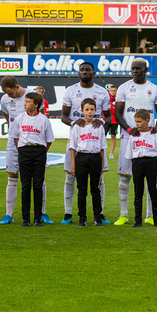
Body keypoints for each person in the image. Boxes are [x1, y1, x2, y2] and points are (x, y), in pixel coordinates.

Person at [114, 58, 157, 226]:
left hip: (149, 138)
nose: (135, 71)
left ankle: (150, 215)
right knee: (125, 176)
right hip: (130, 136)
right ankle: (124, 214)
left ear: (146, 69)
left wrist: (156, 129)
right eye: (133, 69)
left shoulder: (154, 89)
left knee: (151, 179)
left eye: (138, 69)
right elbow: (118, 114)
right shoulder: (124, 88)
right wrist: (129, 130)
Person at [60, 62, 110, 225]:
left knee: (98, 182)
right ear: (78, 73)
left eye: (88, 70)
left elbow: (109, 117)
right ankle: (68, 213)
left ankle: (99, 214)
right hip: (78, 140)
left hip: (95, 143)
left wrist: (100, 121)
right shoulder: (70, 90)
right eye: (82, 70)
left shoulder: (102, 92)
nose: (84, 72)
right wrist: (75, 123)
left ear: (93, 73)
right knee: (70, 176)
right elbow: (64, 116)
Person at [0, 76, 52, 225]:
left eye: (10, 93)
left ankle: (42, 213)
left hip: (34, 143)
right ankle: (9, 214)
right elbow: (7, 116)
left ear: (17, 87)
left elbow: (41, 117)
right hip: (15, 140)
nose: (9, 96)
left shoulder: (32, 95)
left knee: (38, 178)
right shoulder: (4, 99)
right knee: (12, 175)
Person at [10, 92, 54, 227]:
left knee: (38, 185)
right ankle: (25, 218)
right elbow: (15, 137)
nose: (25, 104)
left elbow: (49, 140)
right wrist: (22, 150)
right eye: (25, 101)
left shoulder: (43, 120)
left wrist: (42, 152)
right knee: (25, 186)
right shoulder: (20, 118)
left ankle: (38, 218)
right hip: (24, 151)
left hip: (39, 151)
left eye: (28, 102)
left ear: (36, 105)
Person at [125, 109, 157, 228]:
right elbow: (130, 154)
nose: (137, 124)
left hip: (151, 163)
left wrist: (151, 162)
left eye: (139, 121)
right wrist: (138, 162)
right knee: (138, 192)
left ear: (147, 121)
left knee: (153, 192)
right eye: (136, 121)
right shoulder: (133, 135)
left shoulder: (155, 134)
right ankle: (137, 221)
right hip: (137, 163)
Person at [69, 98, 107, 227]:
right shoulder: (77, 126)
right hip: (81, 158)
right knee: (82, 190)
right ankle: (82, 217)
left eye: (92, 109)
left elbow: (102, 147)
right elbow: (73, 147)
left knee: (95, 189)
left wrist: (102, 164)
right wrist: (73, 165)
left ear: (96, 110)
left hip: (95, 158)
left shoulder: (99, 126)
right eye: (87, 110)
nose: (89, 112)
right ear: (82, 111)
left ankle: (97, 217)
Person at [104, 84, 118, 159]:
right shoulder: (106, 99)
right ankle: (102, 150)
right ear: (109, 91)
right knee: (103, 136)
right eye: (111, 91)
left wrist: (113, 109)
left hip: (115, 120)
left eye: (114, 91)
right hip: (106, 119)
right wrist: (112, 109)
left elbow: (119, 110)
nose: (113, 92)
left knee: (113, 135)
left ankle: (111, 153)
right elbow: (104, 109)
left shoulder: (118, 99)